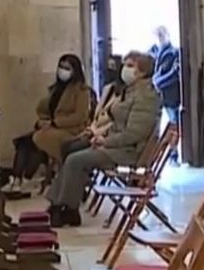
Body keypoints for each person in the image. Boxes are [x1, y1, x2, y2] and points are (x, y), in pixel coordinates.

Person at [46, 50, 163, 227]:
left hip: (128, 151)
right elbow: (117, 123)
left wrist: (105, 141)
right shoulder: (132, 91)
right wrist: (100, 135)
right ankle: (59, 204)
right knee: (72, 149)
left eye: (130, 66)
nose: (124, 69)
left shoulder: (146, 97)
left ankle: (67, 208)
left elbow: (133, 134)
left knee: (76, 160)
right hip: (117, 145)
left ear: (142, 72)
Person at [8, 54, 94, 193]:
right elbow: (46, 109)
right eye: (61, 67)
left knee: (36, 140)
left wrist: (54, 123)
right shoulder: (56, 88)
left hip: (72, 131)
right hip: (52, 128)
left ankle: (23, 179)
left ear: (75, 71)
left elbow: (80, 117)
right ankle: (16, 178)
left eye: (67, 68)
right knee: (26, 142)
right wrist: (43, 121)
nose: (63, 70)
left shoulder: (82, 90)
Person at [149, 26, 181, 125]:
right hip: (159, 99)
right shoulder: (153, 52)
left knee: (174, 124)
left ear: (168, 35)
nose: (160, 38)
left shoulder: (173, 53)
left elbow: (174, 75)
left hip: (171, 98)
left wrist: (156, 83)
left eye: (161, 35)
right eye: (157, 35)